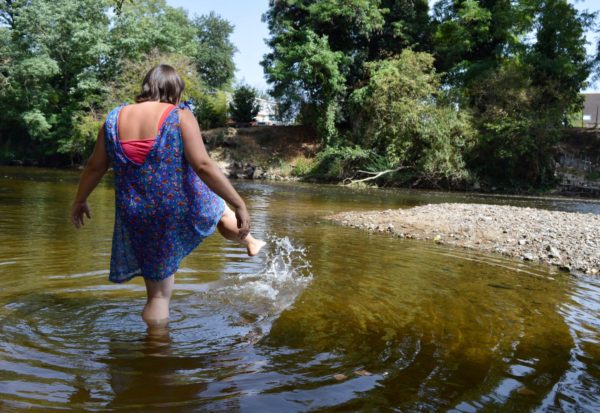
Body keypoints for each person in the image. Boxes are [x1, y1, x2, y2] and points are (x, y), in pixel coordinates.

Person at [71, 64, 265, 325]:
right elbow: (203, 165)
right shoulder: (179, 115)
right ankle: (158, 353)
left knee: (156, 294)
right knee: (217, 209)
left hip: (134, 212)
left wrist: (80, 199)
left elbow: (95, 165)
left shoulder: (113, 119)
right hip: (170, 209)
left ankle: (250, 242)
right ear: (175, 91)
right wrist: (239, 202)